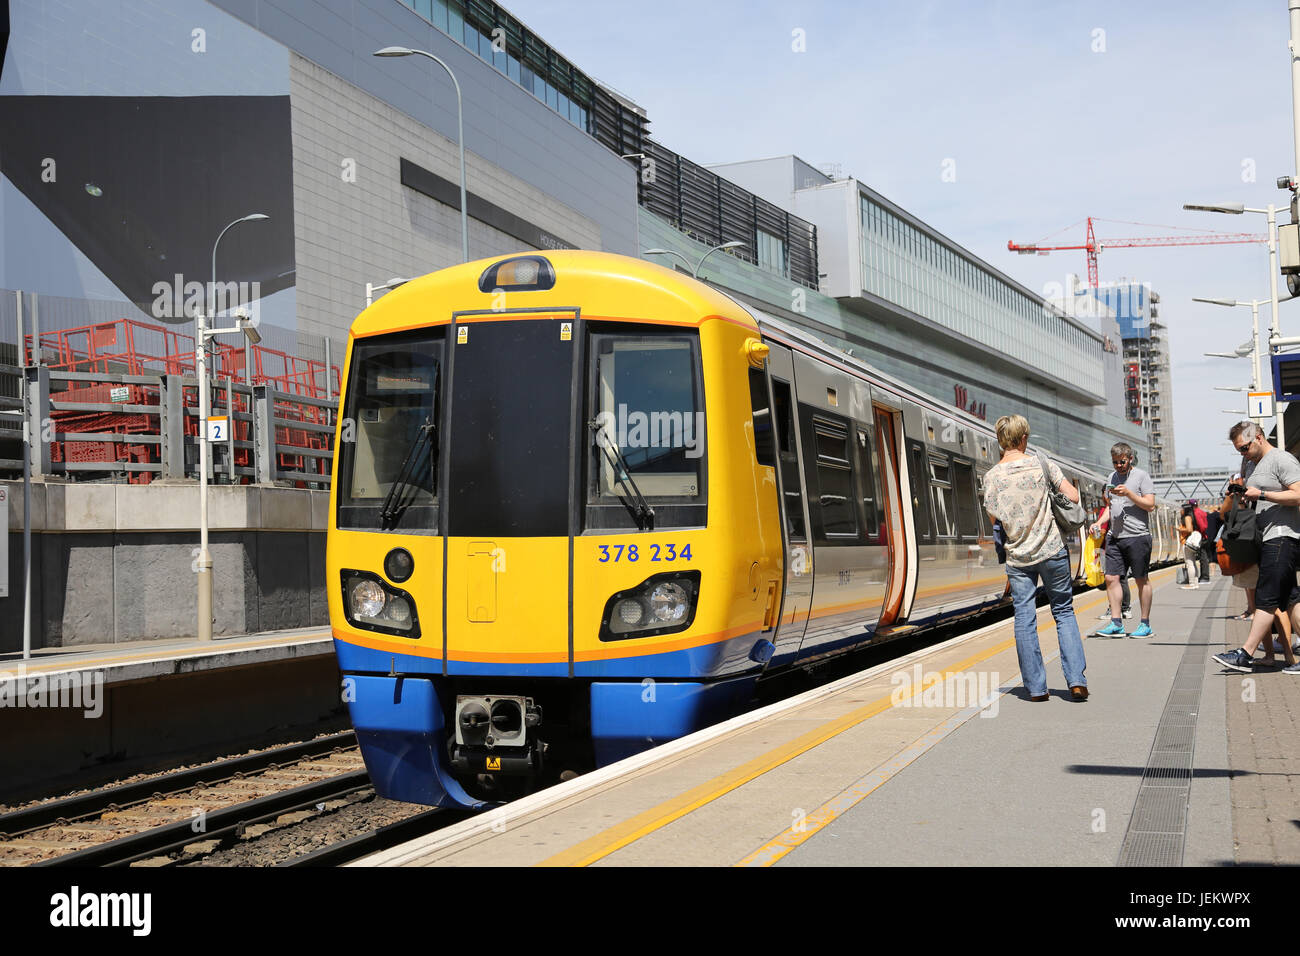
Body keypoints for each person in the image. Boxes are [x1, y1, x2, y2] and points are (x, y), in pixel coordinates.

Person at [983, 414, 1088, 702]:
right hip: (1052, 550)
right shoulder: (1042, 464)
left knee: (1024, 618)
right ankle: (1076, 681)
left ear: (1001, 440)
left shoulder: (991, 477)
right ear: (1024, 438)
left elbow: (995, 516)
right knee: (1063, 612)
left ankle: (1037, 688)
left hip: (1018, 556)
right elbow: (1074, 497)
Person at [1213, 421, 1300, 675]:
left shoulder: (1281, 459)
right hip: (1268, 537)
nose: (1242, 453)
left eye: (1244, 447)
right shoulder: (1252, 465)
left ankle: (1245, 654)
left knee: (1266, 597)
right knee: (1292, 599)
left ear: (1259, 437)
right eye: (1238, 450)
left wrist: (1262, 494)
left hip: (1283, 536)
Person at [1089, 442, 1156, 638]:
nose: (1118, 466)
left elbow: (1150, 504)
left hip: (1137, 536)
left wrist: (1129, 493)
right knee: (1111, 578)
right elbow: (1111, 507)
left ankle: (1145, 624)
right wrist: (1099, 523)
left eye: (1122, 462)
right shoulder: (1111, 477)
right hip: (1115, 537)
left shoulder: (1142, 476)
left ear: (1130, 458)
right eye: (1115, 462)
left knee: (1141, 579)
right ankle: (1116, 622)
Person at [1220, 474, 1256, 621]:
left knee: (1253, 579)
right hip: (1242, 543)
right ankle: (1250, 608)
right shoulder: (1237, 496)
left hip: (1252, 541)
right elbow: (1225, 515)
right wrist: (1232, 494)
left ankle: (1254, 609)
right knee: (1247, 581)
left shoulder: (1254, 491)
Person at [1179, 502, 1200, 590]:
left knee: (1190, 563)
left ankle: (1191, 583)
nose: (1181, 511)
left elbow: (1189, 530)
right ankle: (1195, 583)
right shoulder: (1192, 517)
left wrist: (1179, 529)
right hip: (1191, 543)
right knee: (1193, 563)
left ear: (1185, 510)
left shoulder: (1187, 518)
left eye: (1182, 509)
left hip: (1187, 542)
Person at [1192, 500, 1213, 582]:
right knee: (1204, 556)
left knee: (1203, 557)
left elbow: (1202, 526)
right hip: (1205, 536)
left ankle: (1204, 576)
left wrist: (1200, 534)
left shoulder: (1196, 513)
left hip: (1201, 537)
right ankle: (1204, 576)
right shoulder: (1202, 512)